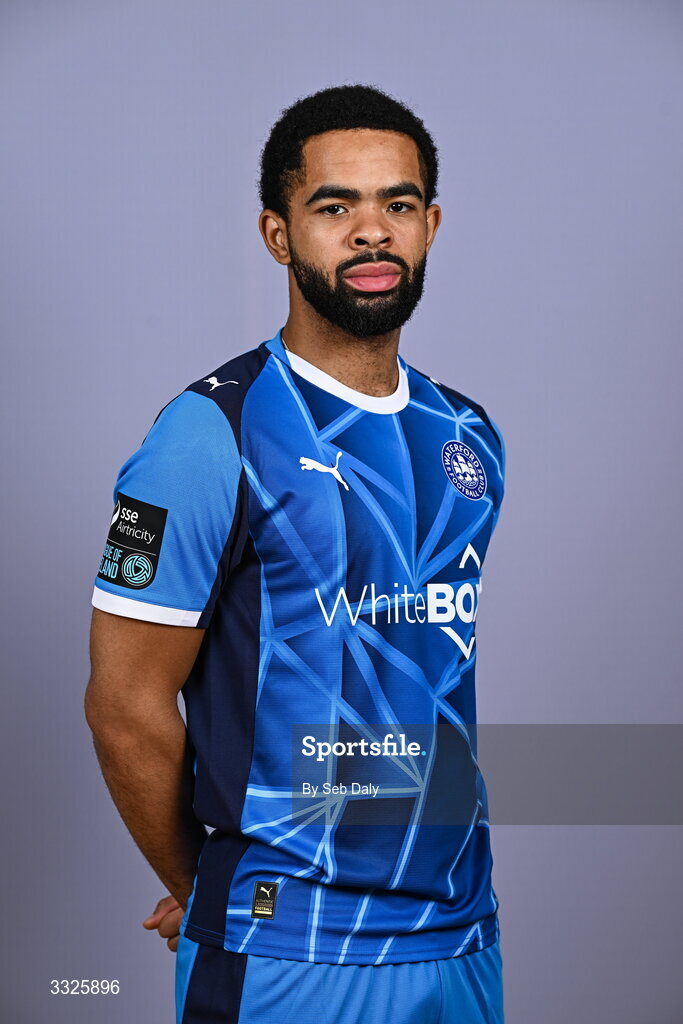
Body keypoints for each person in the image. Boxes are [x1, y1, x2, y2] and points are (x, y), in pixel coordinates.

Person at [85, 83, 507, 1024]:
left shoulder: (468, 436)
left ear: (429, 225)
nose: (370, 233)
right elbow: (123, 706)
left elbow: (419, 688)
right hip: (290, 950)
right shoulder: (207, 436)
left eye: (396, 205)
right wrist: (206, 888)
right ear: (278, 234)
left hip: (460, 938)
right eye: (333, 206)